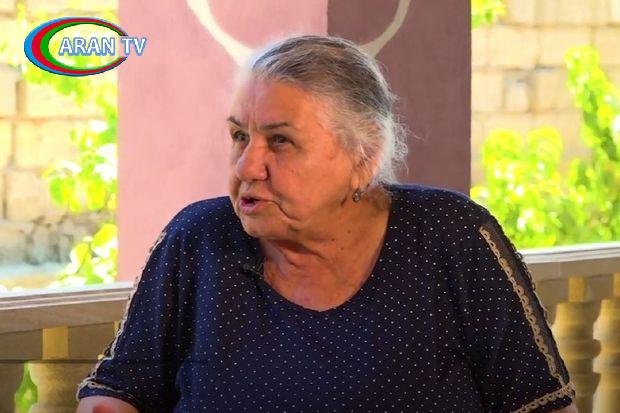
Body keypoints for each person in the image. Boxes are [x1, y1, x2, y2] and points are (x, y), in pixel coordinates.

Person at [76, 35, 577, 413]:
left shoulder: (450, 236)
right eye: (239, 136)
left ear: (364, 155)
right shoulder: (199, 240)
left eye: (280, 141)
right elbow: (119, 392)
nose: (247, 167)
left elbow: (540, 403)